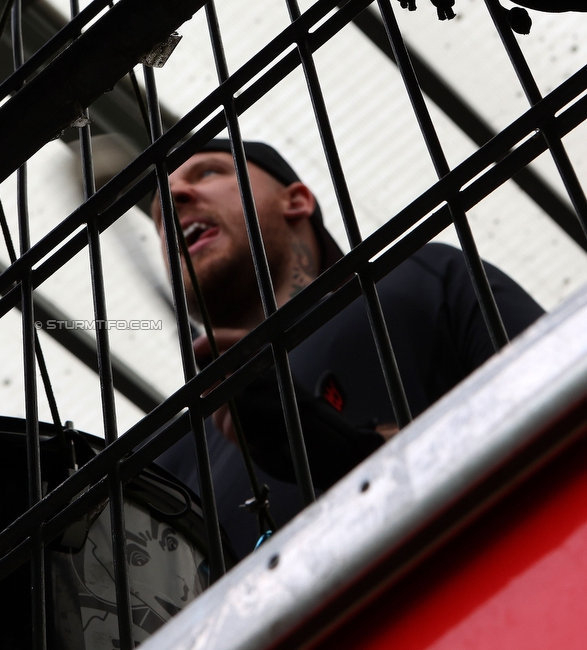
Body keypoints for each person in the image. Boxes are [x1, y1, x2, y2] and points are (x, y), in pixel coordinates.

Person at [152, 140, 545, 559]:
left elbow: (553, 395)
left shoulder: (419, 279)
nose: (175, 197)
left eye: (209, 172)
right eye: (159, 218)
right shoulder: (166, 458)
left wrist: (349, 451)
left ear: (297, 200)